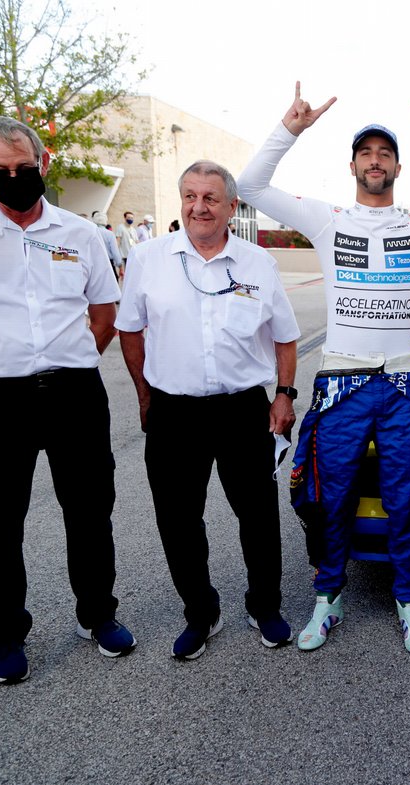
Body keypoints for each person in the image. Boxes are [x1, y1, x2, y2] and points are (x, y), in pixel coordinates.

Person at [237, 82, 410, 654]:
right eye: (366, 153)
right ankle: (327, 597)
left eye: (384, 153)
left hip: (403, 382)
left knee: (407, 498)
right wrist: (290, 129)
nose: (375, 161)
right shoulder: (327, 218)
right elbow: (249, 186)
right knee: (334, 496)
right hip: (341, 381)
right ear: (353, 164)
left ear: (398, 166)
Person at [0, 115, 135, 684]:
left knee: (89, 511)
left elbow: (104, 312)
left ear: (44, 164)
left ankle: (97, 614)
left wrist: (73, 356)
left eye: (24, 168)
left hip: (74, 394)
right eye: (0, 170)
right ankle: (6, 633)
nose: (14, 178)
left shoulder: (81, 233)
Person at [116, 160, 301, 659]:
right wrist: (144, 394)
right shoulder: (149, 259)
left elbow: (285, 335)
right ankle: (200, 612)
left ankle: (265, 606)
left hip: (243, 411)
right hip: (175, 412)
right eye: (190, 196)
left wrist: (284, 393)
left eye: (211, 198)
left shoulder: (258, 263)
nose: (199, 207)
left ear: (231, 206)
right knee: (178, 519)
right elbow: (129, 331)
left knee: (258, 516)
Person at [91, 211, 122, 278]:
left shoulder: (90, 232)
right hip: (107, 263)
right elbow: (115, 252)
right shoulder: (109, 234)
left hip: (93, 263)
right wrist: (120, 265)